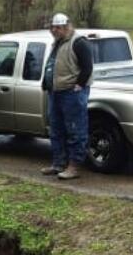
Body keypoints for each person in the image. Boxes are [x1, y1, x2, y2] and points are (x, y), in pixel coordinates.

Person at [40, 13, 94, 180]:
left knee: (75, 130)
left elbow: (87, 67)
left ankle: (74, 166)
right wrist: (46, 82)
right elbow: (52, 64)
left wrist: (79, 84)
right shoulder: (57, 43)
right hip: (55, 92)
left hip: (71, 92)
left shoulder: (79, 42)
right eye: (53, 27)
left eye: (58, 27)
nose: (54, 30)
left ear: (66, 26)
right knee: (56, 129)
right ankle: (58, 163)